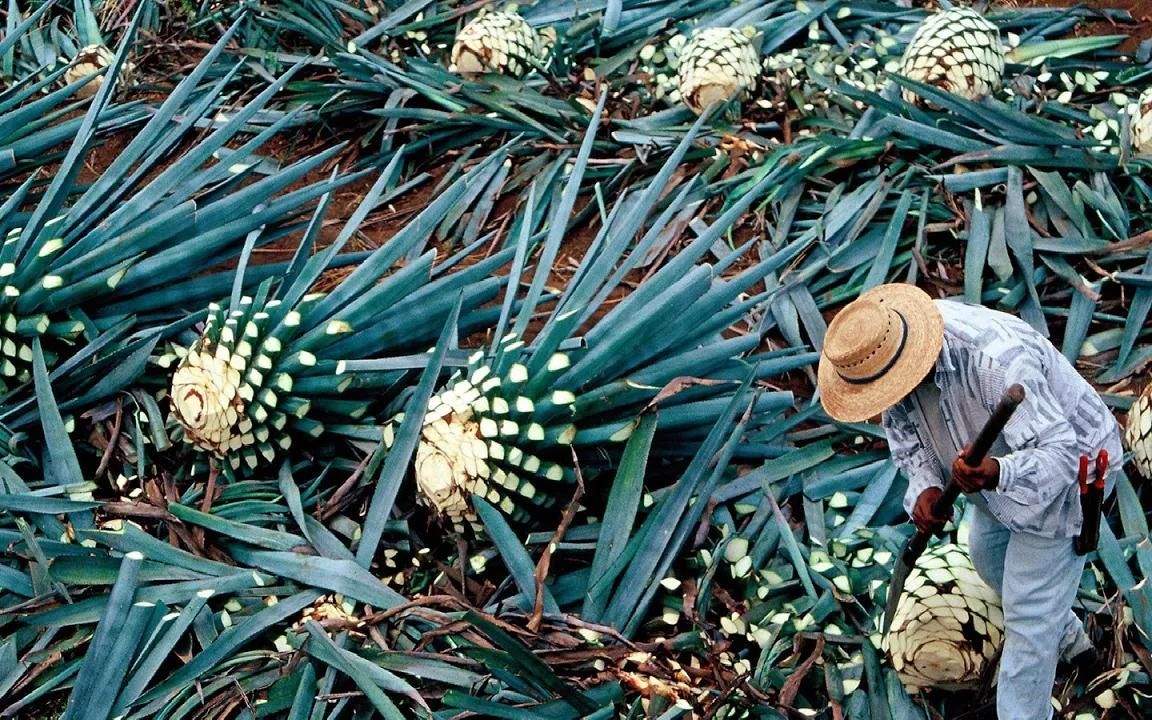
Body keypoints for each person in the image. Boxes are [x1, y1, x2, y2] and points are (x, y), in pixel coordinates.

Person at [816, 283, 1122, 720]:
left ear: (911, 357)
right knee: (986, 555)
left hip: (1067, 482)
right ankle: (1071, 639)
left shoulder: (996, 359)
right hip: (989, 483)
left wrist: (998, 472)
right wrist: (925, 486)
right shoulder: (883, 359)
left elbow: (1062, 455)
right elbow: (905, 434)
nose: (884, 403)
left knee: (1029, 616)